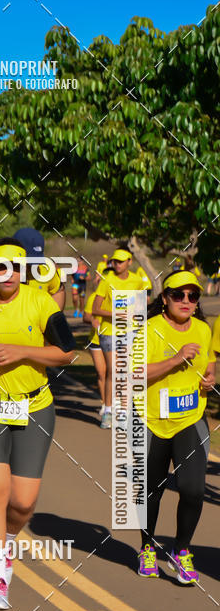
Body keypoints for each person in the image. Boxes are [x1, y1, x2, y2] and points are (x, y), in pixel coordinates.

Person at [0, 238, 75, 608]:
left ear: (25, 271)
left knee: (23, 502)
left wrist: (22, 352)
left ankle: (5, 540)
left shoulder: (39, 301)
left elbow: (67, 352)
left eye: (16, 267)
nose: (8, 273)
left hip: (34, 406)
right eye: (0, 267)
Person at [138, 271, 215, 584]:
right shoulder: (149, 329)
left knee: (193, 490)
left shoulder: (202, 329)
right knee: (151, 491)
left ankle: (181, 550)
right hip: (152, 421)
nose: (186, 301)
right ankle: (147, 547)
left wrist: (209, 380)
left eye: (192, 296)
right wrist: (176, 358)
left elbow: (208, 364)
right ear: (164, 298)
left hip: (190, 418)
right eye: (178, 295)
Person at [92, 248, 147, 429]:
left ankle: (123, 411)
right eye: (115, 261)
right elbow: (96, 309)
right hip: (109, 331)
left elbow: (141, 304)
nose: (117, 264)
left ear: (129, 262)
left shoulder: (137, 281)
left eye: (121, 261)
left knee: (126, 371)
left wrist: (138, 314)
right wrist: (116, 314)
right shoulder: (107, 280)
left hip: (130, 331)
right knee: (114, 371)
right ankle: (108, 411)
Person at [83, 281, 107, 417]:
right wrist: (92, 320)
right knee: (101, 373)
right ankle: (105, 404)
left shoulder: (120, 298)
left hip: (116, 340)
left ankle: (117, 403)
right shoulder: (94, 297)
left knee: (115, 373)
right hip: (97, 340)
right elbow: (86, 317)